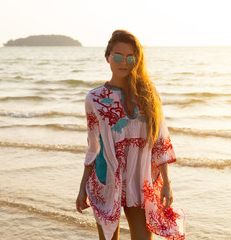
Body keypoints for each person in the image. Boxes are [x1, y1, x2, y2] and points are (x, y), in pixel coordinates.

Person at [76, 30, 186, 240]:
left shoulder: (148, 94)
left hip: (140, 178)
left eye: (130, 57)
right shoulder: (95, 98)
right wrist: (82, 188)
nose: (123, 62)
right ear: (108, 57)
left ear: (137, 60)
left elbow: (160, 140)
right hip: (106, 178)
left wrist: (167, 183)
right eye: (117, 56)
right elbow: (93, 147)